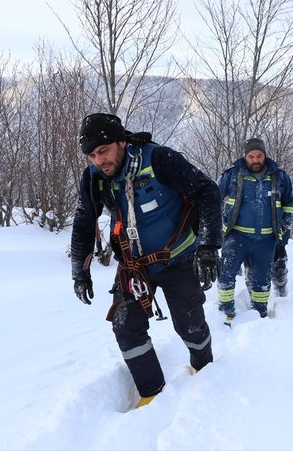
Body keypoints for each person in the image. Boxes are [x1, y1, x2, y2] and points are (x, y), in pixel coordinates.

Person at [70, 113, 222, 408]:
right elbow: (84, 222)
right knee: (124, 325)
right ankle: (152, 391)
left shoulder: (159, 159)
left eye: (103, 151)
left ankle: (205, 369)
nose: (99, 160)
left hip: (179, 258)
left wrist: (208, 247)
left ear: (122, 142)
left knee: (190, 325)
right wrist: (80, 271)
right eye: (92, 155)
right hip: (133, 266)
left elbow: (207, 191)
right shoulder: (94, 178)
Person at [218, 137, 293, 320]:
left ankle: (260, 313)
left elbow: (290, 201)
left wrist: (286, 223)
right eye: (251, 156)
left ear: (265, 155)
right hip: (236, 237)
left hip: (266, 240)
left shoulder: (279, 176)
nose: (255, 160)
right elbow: (214, 197)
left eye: (259, 155)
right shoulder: (232, 175)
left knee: (261, 281)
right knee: (226, 275)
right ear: (245, 157)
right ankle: (225, 311)